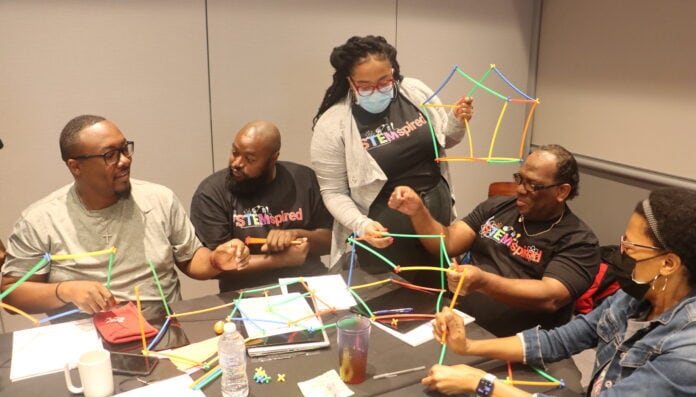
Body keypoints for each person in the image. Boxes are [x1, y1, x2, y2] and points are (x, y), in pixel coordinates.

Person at [422, 187, 696, 397]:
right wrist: (469, 346)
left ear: (669, 264)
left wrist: (480, 382)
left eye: (631, 247)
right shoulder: (635, 296)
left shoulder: (688, 351)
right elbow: (559, 340)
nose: (620, 252)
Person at [1, 115, 250, 319]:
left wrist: (216, 260)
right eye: (110, 155)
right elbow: (10, 293)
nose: (125, 161)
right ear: (75, 167)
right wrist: (65, 290)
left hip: (160, 326)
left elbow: (191, 259)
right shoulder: (40, 220)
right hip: (84, 339)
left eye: (125, 149)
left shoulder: (160, 199)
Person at [310, 35, 473, 287]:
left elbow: (446, 140)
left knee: (438, 294)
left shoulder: (415, 91)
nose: (376, 90)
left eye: (384, 81)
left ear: (394, 73)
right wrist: (361, 225)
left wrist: (456, 121)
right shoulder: (333, 124)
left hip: (435, 224)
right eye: (365, 85)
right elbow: (332, 192)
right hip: (384, 237)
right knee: (392, 303)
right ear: (349, 82)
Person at [388, 145, 600, 336]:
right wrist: (419, 212)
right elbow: (448, 242)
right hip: (459, 322)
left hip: (514, 343)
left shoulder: (579, 241)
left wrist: (483, 282)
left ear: (561, 191)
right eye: (520, 178)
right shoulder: (497, 207)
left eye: (533, 185)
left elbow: (549, 296)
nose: (520, 189)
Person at [190, 120, 332, 292]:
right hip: (248, 292)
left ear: (273, 158)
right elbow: (216, 266)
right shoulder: (211, 193)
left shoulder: (303, 180)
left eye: (249, 159)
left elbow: (331, 241)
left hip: (310, 282)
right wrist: (282, 259)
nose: (237, 163)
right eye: (235, 152)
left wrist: (297, 235)